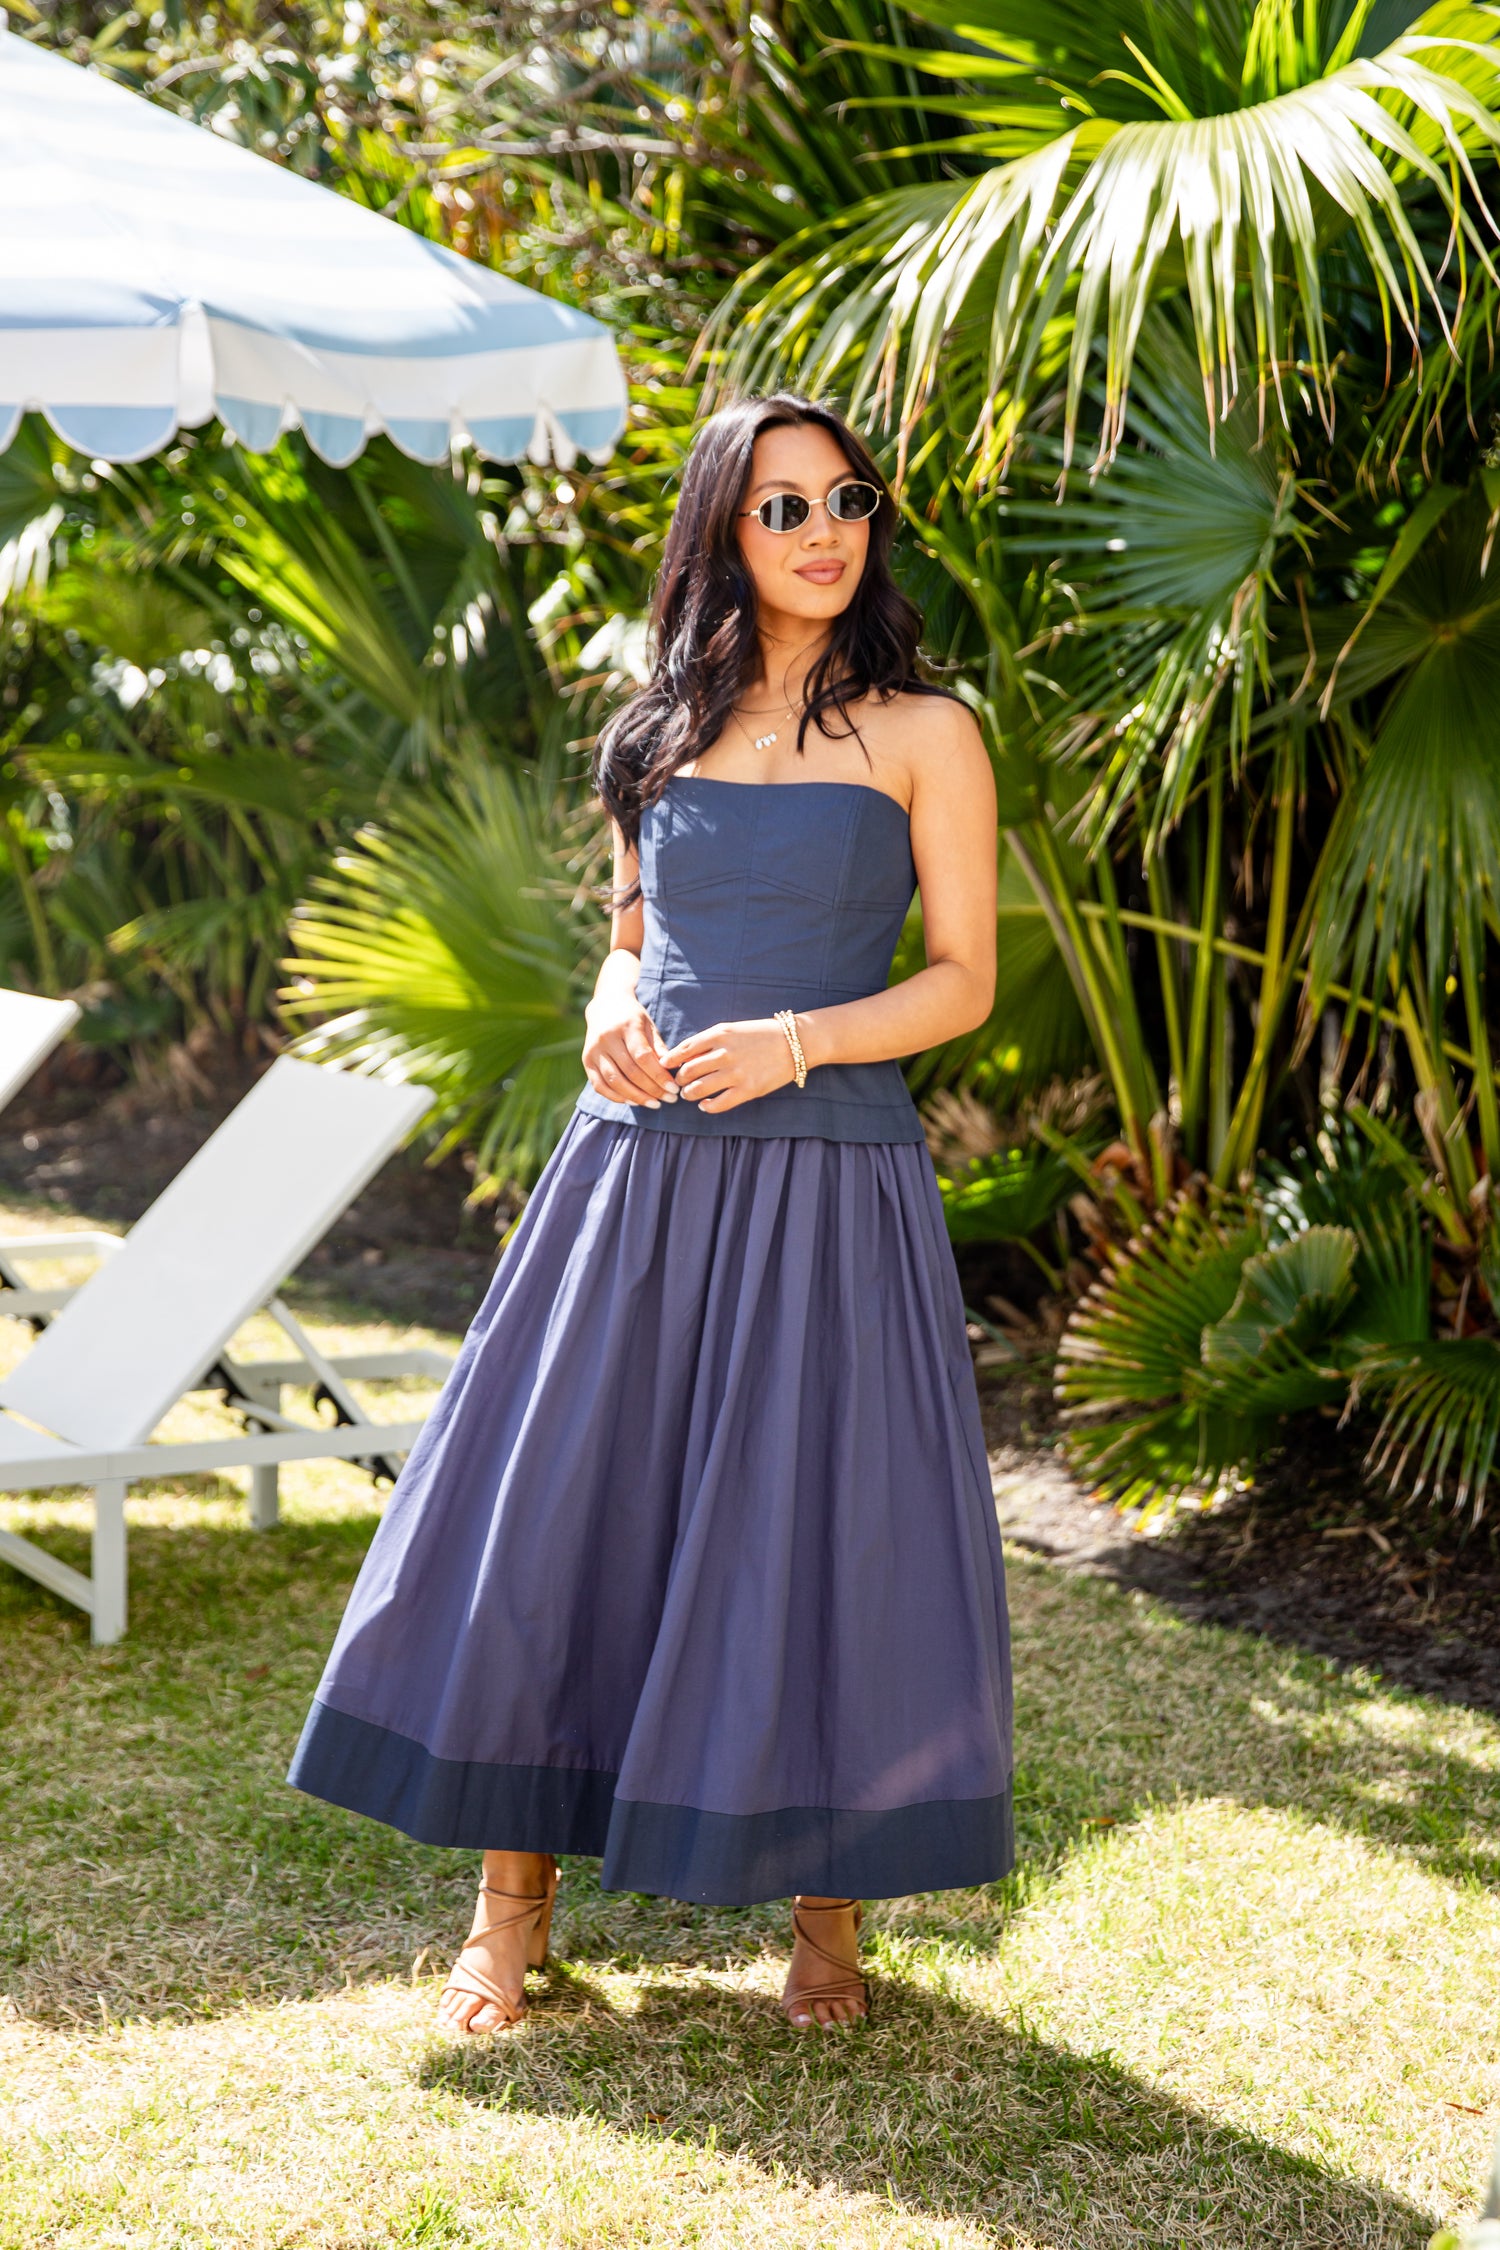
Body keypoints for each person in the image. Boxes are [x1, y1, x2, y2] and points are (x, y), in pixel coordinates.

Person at [288, 391, 1014, 2033]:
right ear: (721, 531)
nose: (828, 532)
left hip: (831, 1178)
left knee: (817, 1523)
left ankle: (827, 1922)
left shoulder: (925, 732)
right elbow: (631, 929)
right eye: (785, 508)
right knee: (561, 1510)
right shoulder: (653, 730)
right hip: (638, 1170)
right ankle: (509, 1906)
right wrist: (613, 993)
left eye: (847, 500)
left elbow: (966, 978)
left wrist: (803, 1040)